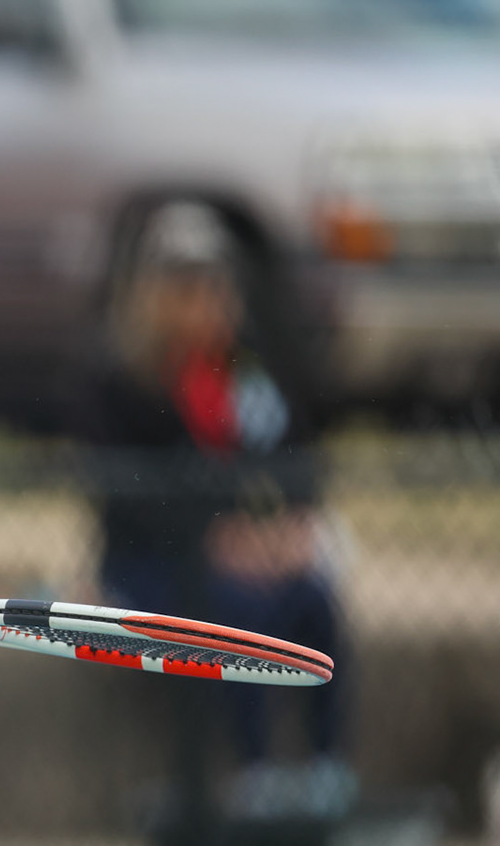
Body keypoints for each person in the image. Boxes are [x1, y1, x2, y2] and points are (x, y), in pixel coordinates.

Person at [81, 201, 348, 809]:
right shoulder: (117, 381)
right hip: (151, 565)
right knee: (235, 613)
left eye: (211, 285)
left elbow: (289, 455)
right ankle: (255, 773)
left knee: (313, 601)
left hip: (243, 553)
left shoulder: (241, 372)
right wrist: (212, 541)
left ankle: (328, 771)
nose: (202, 300)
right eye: (184, 286)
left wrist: (289, 526)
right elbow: (121, 500)